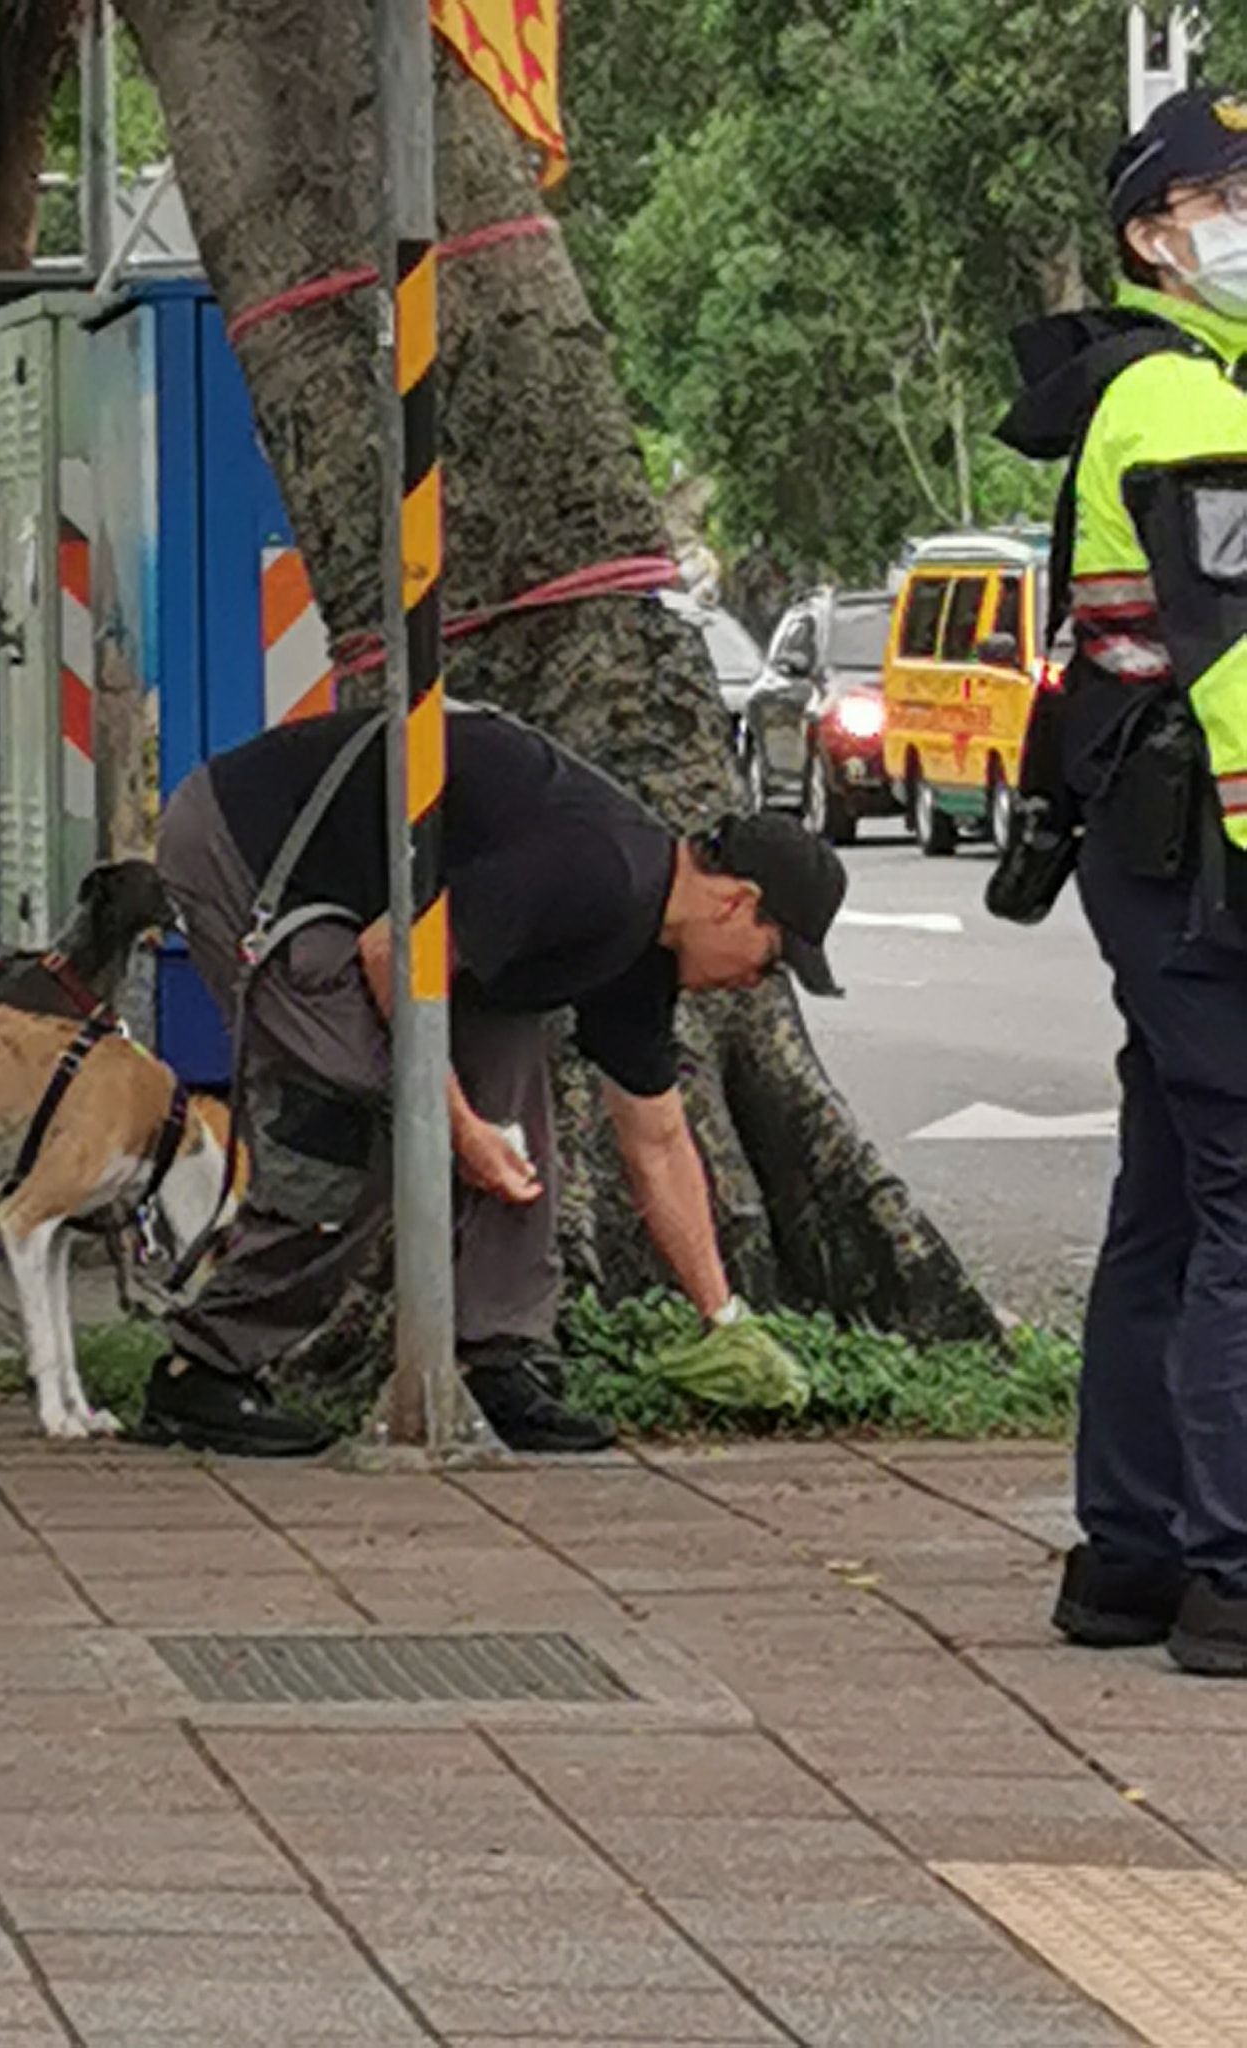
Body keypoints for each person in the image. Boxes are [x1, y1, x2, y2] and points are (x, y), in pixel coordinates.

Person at [143, 699, 845, 1457]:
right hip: (252, 851)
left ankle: (494, 1362)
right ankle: (204, 1370)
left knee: (510, 1089)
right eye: (771, 962)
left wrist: (725, 1322)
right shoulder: (600, 872)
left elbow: (659, 1142)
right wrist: (456, 1127)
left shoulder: (643, 943)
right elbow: (390, 959)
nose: (756, 985)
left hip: (379, 899)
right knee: (361, 1107)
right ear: (737, 902)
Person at [995, 86, 1247, 1676]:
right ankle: (1232, 1569)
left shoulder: (1181, 387)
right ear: (1157, 234)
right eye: (1230, 193)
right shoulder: (1181, 407)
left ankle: (1134, 1555)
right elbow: (1237, 667)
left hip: (1157, 852)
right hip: (1210, 854)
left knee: (1171, 1197)